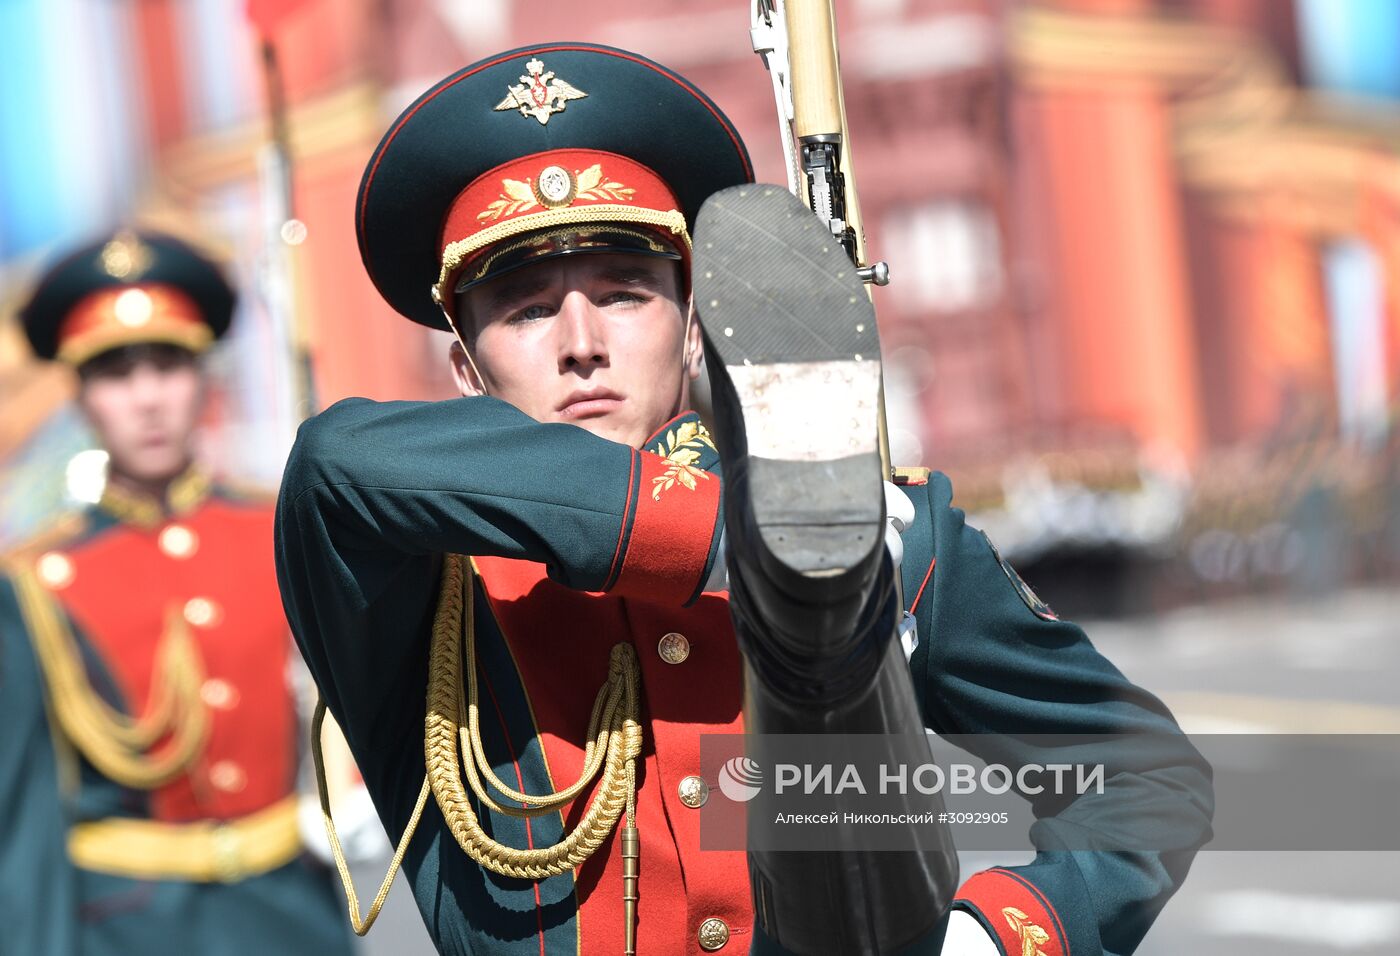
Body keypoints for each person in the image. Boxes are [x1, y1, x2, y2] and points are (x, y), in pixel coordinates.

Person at [275, 43, 1213, 956]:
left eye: (626, 292)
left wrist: (994, 939)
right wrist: (747, 544)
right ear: (467, 368)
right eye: (525, 308)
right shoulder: (424, 588)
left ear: (692, 333)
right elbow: (333, 463)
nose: (581, 342)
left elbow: (1145, 779)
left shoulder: (885, 537)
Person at [0, 230, 356, 955]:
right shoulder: (36, 580)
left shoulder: (282, 530)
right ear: (81, 396)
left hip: (291, 908)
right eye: (115, 373)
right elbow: (26, 810)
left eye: (168, 365)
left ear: (204, 378)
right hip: (126, 925)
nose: (147, 399)